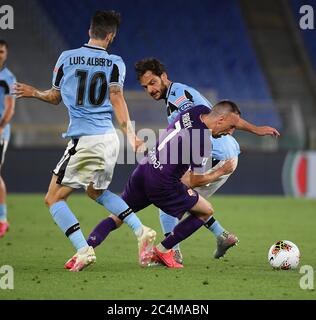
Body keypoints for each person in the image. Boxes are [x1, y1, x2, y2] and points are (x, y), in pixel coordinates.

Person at [86, 58, 280, 264]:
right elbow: (221, 115)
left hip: (216, 156)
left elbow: (209, 126)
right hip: (215, 154)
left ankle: (172, 251)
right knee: (186, 202)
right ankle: (220, 236)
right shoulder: (179, 97)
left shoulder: (179, 98)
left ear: (164, 77)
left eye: (152, 83)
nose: (150, 90)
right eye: (145, 87)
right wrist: (256, 129)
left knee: (173, 203)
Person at [13, 11, 156, 271]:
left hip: (85, 141)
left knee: (53, 199)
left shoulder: (66, 59)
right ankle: (140, 229)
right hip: (109, 140)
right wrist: (131, 135)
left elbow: (54, 97)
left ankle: (83, 249)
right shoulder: (115, 62)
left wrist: (34, 93)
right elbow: (116, 98)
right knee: (96, 191)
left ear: (90, 31)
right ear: (111, 36)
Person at [89, 101, 241, 268]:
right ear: (220, 120)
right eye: (231, 126)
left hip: (144, 169)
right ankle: (163, 250)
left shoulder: (196, 111)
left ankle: (85, 249)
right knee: (205, 211)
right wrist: (221, 171)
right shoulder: (203, 142)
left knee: (118, 216)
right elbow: (195, 180)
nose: (230, 132)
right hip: (163, 185)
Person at [0, 40, 16, 238]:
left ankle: (3, 219)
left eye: (2, 51)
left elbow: (10, 108)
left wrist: (1, 127)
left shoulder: (8, 78)